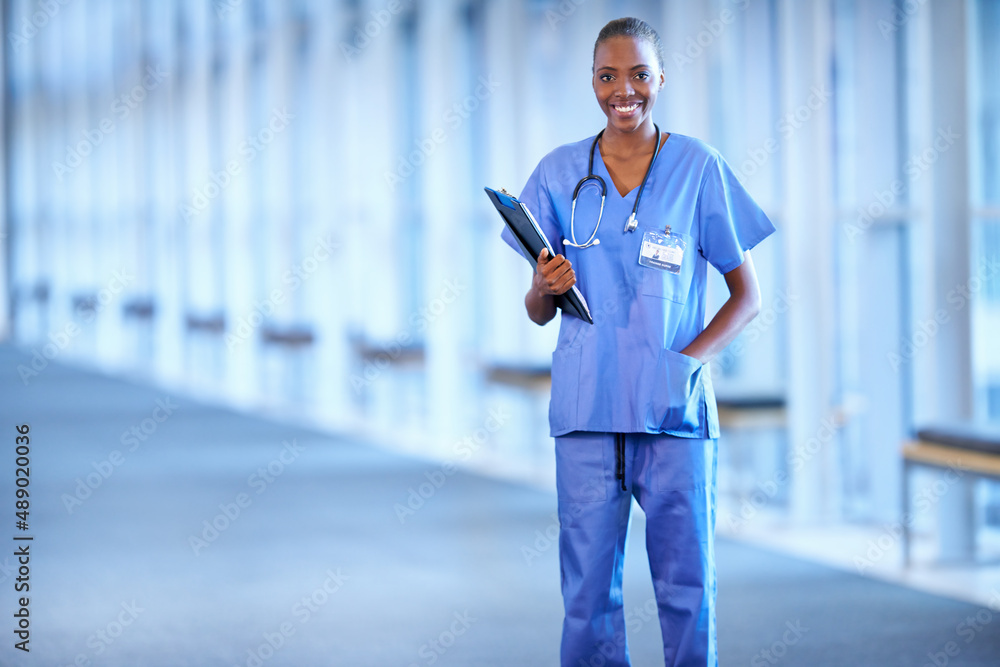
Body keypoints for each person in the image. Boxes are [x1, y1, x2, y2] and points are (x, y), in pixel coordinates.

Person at [498, 17, 776, 667]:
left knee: (687, 588)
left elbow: (748, 296)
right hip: (589, 410)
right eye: (608, 75)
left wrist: (686, 362)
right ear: (592, 82)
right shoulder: (559, 171)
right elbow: (540, 310)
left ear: (660, 79)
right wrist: (545, 283)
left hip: (671, 413)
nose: (624, 89)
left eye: (639, 74)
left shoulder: (698, 167)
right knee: (588, 595)